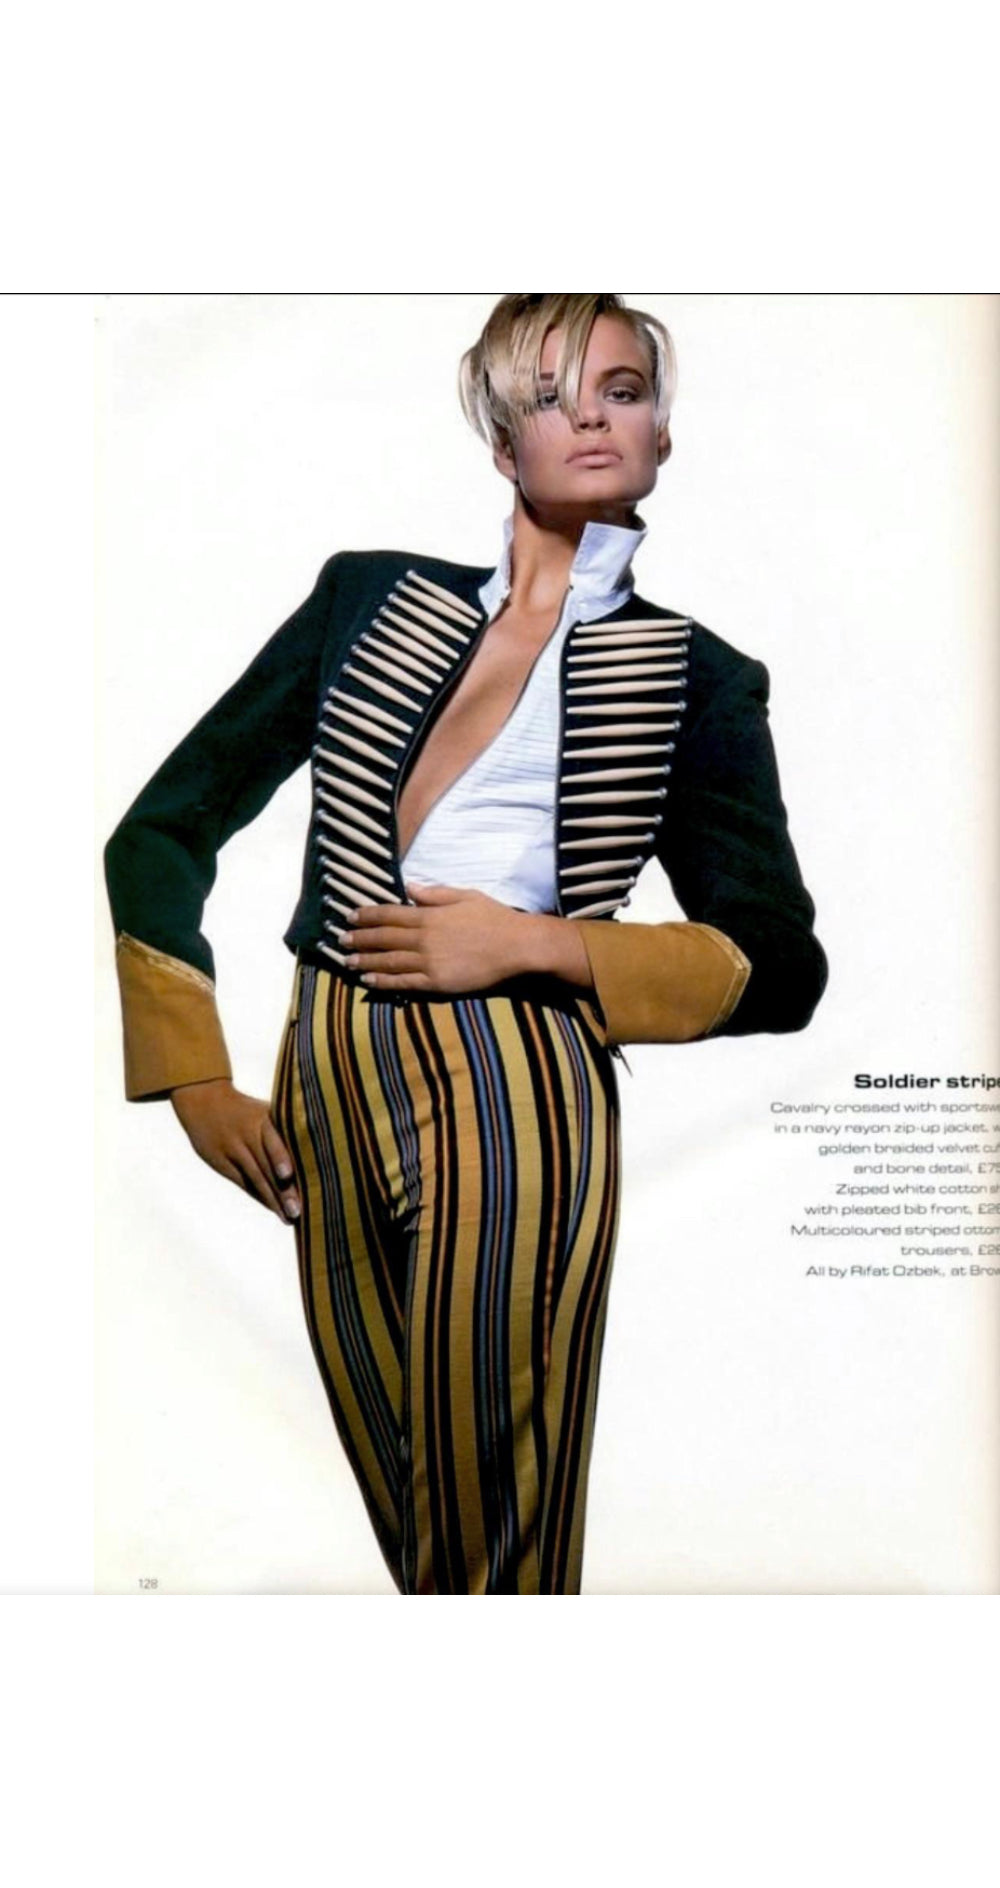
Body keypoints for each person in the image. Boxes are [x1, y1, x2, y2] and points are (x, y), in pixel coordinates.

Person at [105, 292, 828, 1595]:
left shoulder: (697, 673)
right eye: (551, 397)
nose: (592, 419)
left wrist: (536, 946)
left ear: (663, 432)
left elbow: (779, 962)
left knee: (497, 1524)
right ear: (502, 443)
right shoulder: (364, 598)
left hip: (519, 1075)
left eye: (621, 390)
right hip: (326, 1065)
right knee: (420, 1523)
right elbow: (160, 831)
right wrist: (193, 1077)